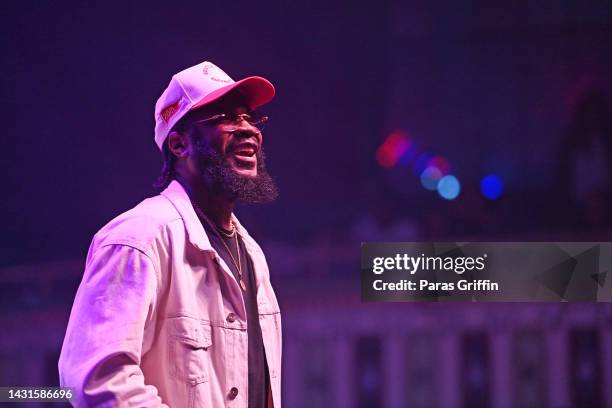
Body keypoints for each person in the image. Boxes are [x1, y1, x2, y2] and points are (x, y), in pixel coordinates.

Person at [58, 60, 282, 408]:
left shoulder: (251, 254)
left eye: (250, 118)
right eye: (225, 117)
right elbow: (97, 380)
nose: (247, 129)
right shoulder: (138, 239)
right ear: (179, 145)